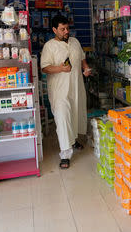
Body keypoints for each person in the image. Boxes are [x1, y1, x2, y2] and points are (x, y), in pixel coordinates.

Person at [41, 15, 91, 169]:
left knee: (75, 114)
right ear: (54, 30)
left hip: (76, 87)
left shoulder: (75, 41)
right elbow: (44, 67)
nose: (66, 31)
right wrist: (61, 69)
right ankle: (65, 154)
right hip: (59, 91)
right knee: (63, 118)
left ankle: (73, 140)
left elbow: (81, 57)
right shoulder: (49, 46)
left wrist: (86, 68)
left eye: (67, 28)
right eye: (62, 29)